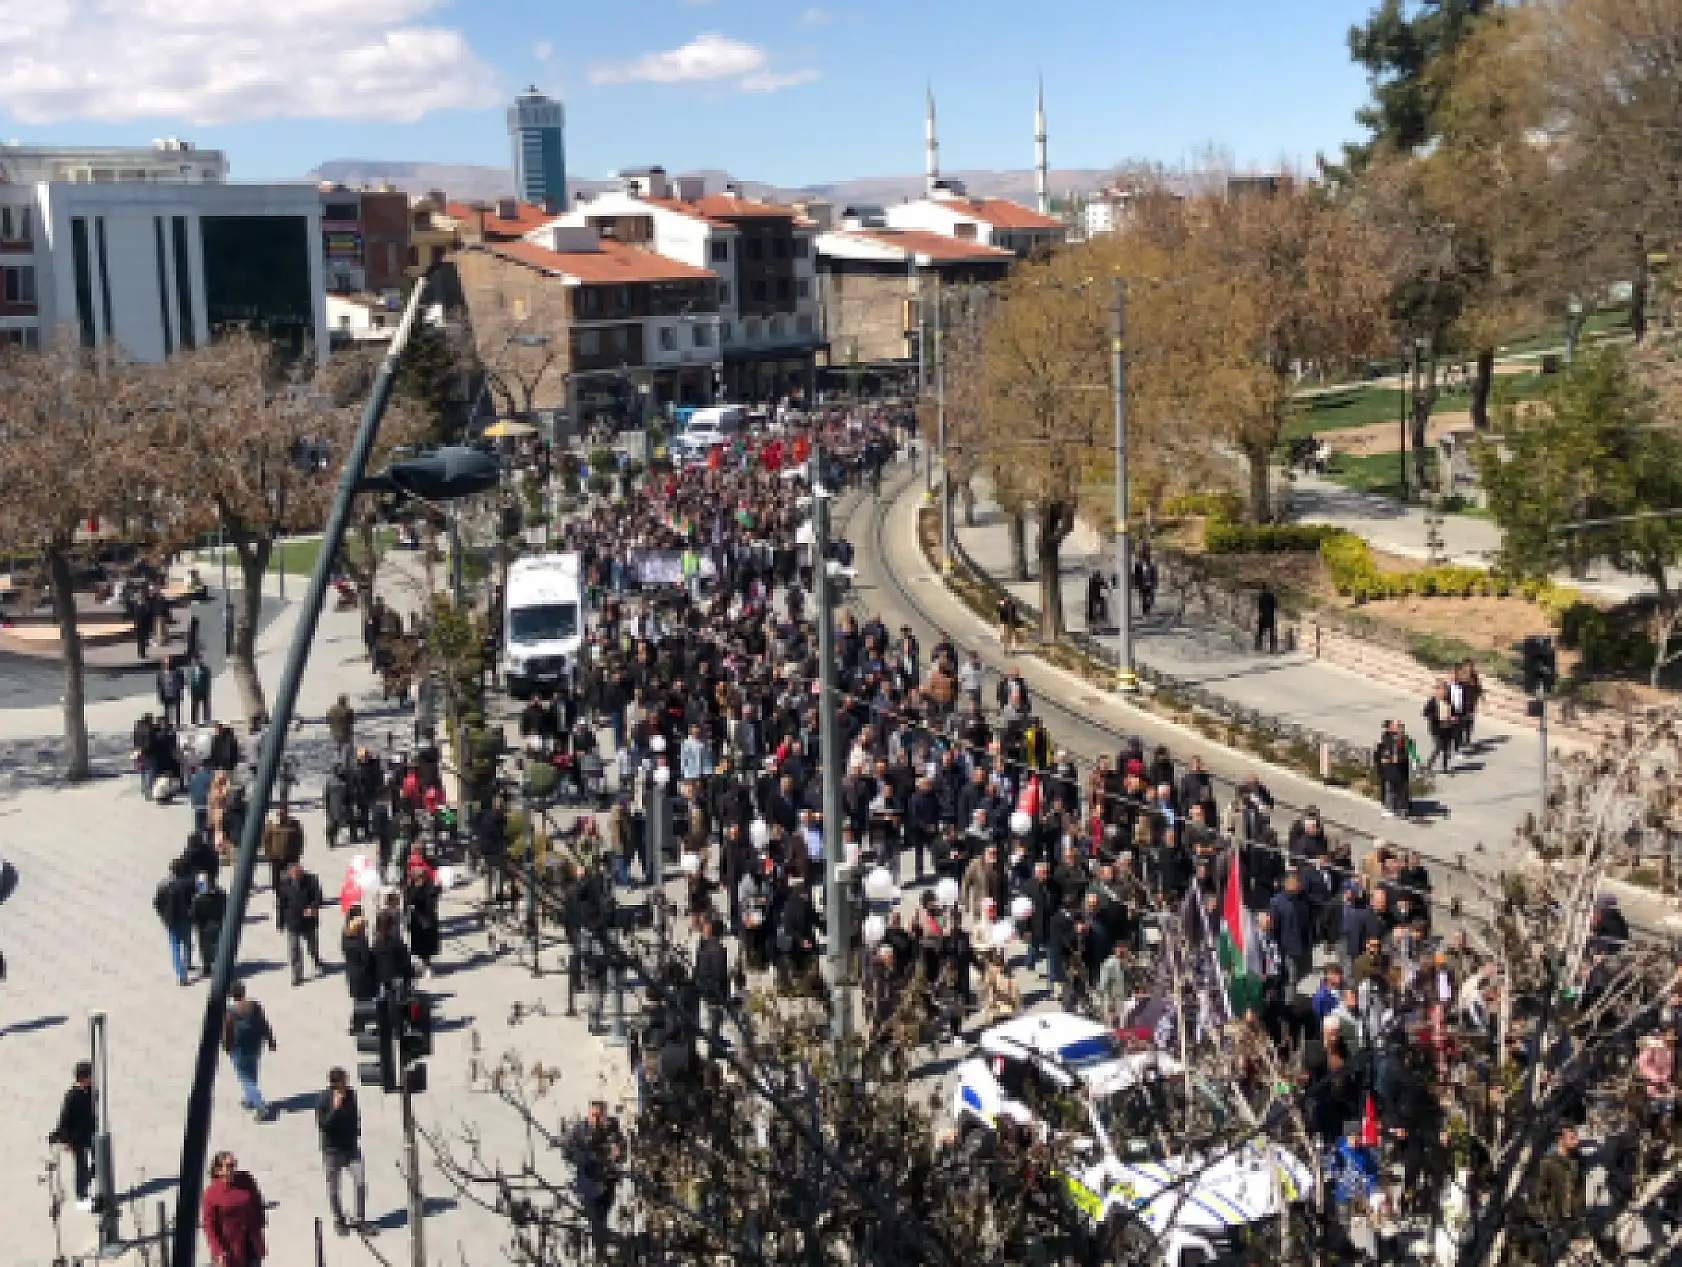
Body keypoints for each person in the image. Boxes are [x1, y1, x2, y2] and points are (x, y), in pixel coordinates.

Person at [316, 1068, 370, 1236]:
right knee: (334, 1188)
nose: (346, 1083)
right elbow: (324, 1125)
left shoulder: (351, 1094)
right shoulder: (324, 1099)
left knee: (360, 1181)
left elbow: (355, 1115)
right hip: (332, 1151)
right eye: (343, 1081)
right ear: (336, 1083)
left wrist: (356, 1131)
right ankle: (339, 1220)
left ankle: (360, 1220)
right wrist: (336, 1109)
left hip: (350, 1147)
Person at [201, 1151, 267, 1267]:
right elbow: (209, 1225)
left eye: (234, 1164)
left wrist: (259, 1225)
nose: (233, 1169)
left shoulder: (246, 1180)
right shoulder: (211, 1193)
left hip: (251, 1243)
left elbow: (257, 1202)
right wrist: (217, 1251)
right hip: (229, 1248)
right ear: (218, 1170)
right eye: (229, 1166)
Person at [222, 983, 276, 1122]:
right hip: (256, 1044)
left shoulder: (230, 1011)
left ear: (232, 995)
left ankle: (260, 1106)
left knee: (245, 1078)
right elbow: (264, 1023)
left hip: (239, 1048)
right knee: (252, 1072)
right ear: (244, 992)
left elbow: (227, 1030)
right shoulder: (255, 1005)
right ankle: (249, 1099)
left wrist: (226, 1046)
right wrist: (270, 1040)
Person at [49, 1061, 97, 1210]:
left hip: (91, 1133)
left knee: (97, 1163)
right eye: (89, 1076)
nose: (92, 1078)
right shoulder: (72, 1096)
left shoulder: (90, 1091)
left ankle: (89, 1180)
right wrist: (65, 1140)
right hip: (77, 1137)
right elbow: (64, 1119)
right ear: (82, 1078)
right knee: (81, 1167)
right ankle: (81, 1197)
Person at [277, 861, 325, 985]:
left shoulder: (312, 880)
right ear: (289, 874)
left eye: (298, 874)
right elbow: (281, 905)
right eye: (293, 875)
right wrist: (280, 922)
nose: (296, 877)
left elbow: (318, 897)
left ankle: (315, 957)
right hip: (293, 920)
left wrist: (312, 907)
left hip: (308, 920)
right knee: (294, 948)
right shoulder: (284, 885)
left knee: (312, 943)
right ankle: (297, 974)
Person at [154, 856, 198, 985]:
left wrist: (163, 916)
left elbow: (157, 902)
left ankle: (181, 975)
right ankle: (188, 963)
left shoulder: (164, 884)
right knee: (187, 942)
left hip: (171, 920)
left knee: (175, 947)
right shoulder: (189, 884)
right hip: (186, 918)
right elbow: (196, 899)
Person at [191, 872, 228, 979]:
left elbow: (195, 913)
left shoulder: (199, 899)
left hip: (204, 926)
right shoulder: (221, 894)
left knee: (205, 948)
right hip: (218, 923)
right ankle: (220, 965)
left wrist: (194, 922)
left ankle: (207, 968)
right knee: (217, 945)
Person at [156, 657, 185, 729]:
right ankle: (167, 725)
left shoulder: (178, 672)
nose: (167, 665)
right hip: (166, 694)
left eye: (169, 663)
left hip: (175, 693)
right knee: (167, 711)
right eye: (166, 663)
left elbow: (181, 682)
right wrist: (160, 695)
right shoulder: (161, 674)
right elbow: (159, 685)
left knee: (177, 710)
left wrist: (181, 691)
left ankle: (178, 724)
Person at [187, 653, 213, 726]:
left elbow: (208, 681)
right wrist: (190, 690)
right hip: (195, 691)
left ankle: (206, 720)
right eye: (195, 660)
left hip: (203, 691)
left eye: (197, 659)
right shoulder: (192, 670)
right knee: (195, 706)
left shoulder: (206, 669)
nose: (196, 661)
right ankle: (194, 721)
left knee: (206, 706)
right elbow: (190, 681)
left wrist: (208, 691)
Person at [1254, 583, 1278, 653]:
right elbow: (1275, 606)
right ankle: (1272, 648)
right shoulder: (1271, 597)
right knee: (1271, 632)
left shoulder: (1261, 597)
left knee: (1260, 632)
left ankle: (1259, 646)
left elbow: (1260, 608)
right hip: (1270, 616)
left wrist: (1260, 614)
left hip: (1263, 616)